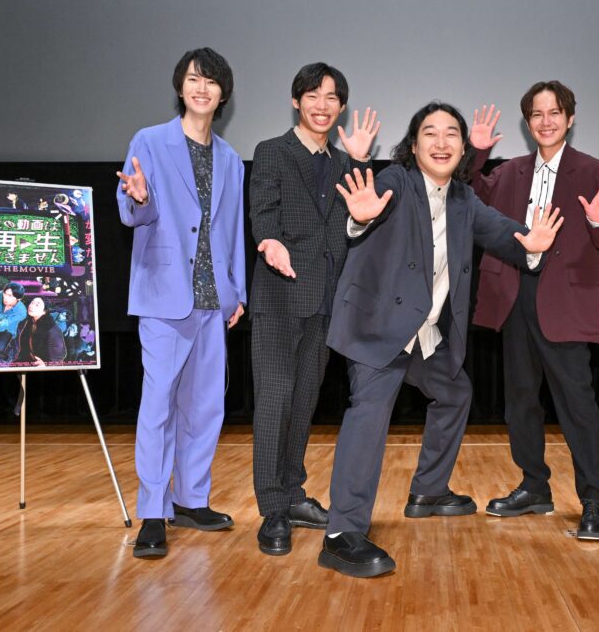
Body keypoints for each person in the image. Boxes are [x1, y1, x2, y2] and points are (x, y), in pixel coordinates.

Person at [319, 102, 563, 578]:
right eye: (429, 133)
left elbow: (500, 230)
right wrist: (360, 218)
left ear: (463, 147)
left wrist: (529, 243)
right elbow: (367, 205)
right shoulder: (396, 180)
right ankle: (340, 534)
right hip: (379, 328)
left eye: (452, 133)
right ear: (413, 146)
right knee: (369, 414)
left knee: (454, 392)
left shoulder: (463, 199)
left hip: (423, 332)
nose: (441, 142)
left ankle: (429, 491)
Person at [468, 83, 599, 540]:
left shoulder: (589, 169)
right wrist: (476, 154)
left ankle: (594, 499)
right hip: (515, 297)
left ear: (570, 119)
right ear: (527, 122)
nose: (546, 121)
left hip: (565, 300)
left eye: (555, 112)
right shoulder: (510, 171)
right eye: (537, 114)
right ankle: (534, 487)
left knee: (578, 405)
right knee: (521, 402)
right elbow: (469, 196)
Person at [117, 47, 247, 559]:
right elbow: (131, 212)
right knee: (158, 406)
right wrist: (140, 198)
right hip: (164, 296)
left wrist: (237, 291)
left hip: (213, 301)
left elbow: (232, 231)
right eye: (194, 79)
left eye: (211, 81)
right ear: (180, 87)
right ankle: (154, 510)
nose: (202, 88)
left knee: (204, 407)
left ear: (223, 93)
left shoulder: (230, 158)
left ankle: (192, 500)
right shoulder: (150, 141)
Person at [249, 62, 378, 556]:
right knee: (275, 402)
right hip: (279, 297)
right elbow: (263, 212)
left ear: (341, 106)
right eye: (312, 96)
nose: (322, 106)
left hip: (326, 301)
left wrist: (361, 165)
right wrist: (270, 241)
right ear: (296, 101)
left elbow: (356, 224)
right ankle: (272, 510)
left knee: (303, 403)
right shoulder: (272, 151)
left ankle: (293, 493)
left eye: (331, 98)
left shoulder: (347, 164)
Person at [3, 297, 67, 366]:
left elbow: (58, 357)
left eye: (37, 305)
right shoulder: (30, 322)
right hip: (31, 361)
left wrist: (46, 365)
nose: (31, 306)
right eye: (32, 302)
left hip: (47, 367)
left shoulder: (51, 329)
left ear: (44, 311)